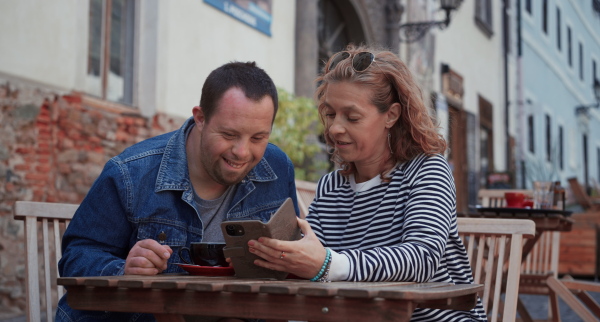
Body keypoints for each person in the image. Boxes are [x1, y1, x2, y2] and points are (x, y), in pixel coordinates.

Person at [247, 45, 487, 321]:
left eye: (352, 117)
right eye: (330, 114)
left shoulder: (427, 170)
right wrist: (272, 258)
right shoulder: (331, 187)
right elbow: (313, 268)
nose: (335, 127)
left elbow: (422, 259)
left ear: (391, 115)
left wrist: (328, 264)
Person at [56, 61, 299, 321]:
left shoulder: (278, 167)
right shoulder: (130, 173)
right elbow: (77, 257)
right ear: (201, 117)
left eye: (258, 138)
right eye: (229, 134)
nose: (242, 152)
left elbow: (292, 256)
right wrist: (123, 269)